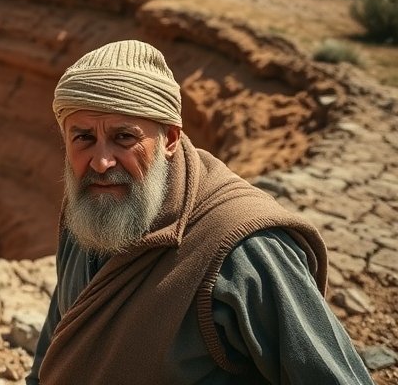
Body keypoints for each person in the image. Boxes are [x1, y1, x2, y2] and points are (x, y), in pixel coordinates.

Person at [26, 40, 373, 385]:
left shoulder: (243, 247)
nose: (101, 162)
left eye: (124, 137)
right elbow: (58, 348)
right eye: (83, 137)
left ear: (170, 139)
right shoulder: (90, 209)